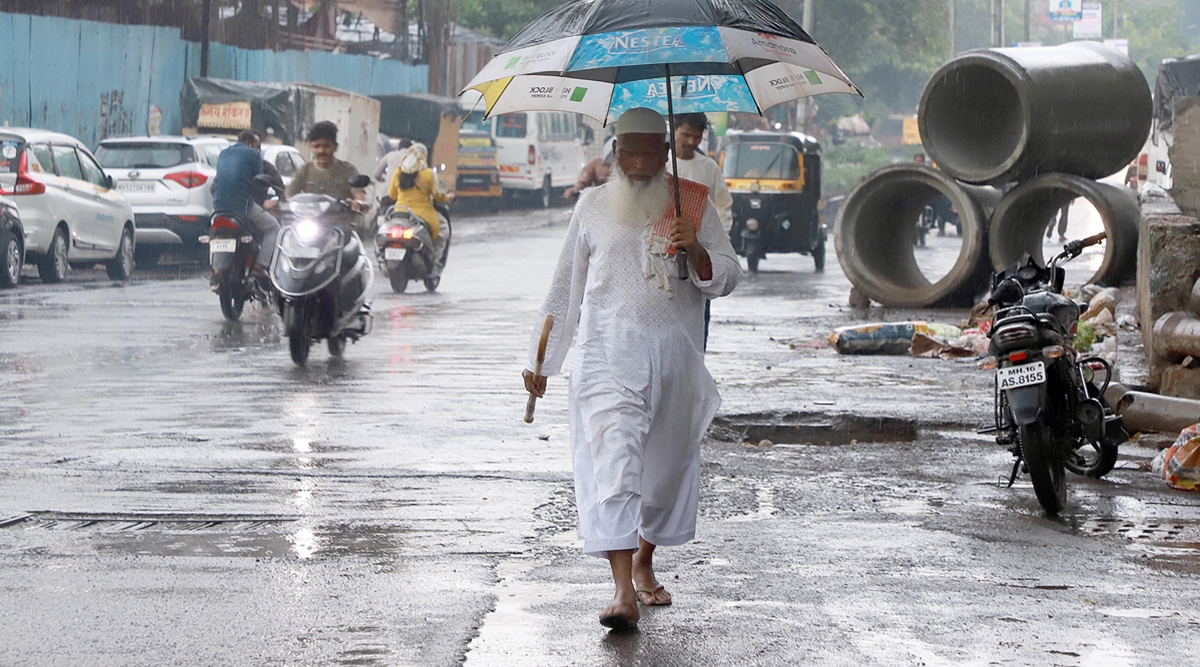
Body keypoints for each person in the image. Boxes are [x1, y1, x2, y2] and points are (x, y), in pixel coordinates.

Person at [521, 108, 739, 630]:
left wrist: (700, 252)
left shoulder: (691, 204)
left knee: (662, 471)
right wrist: (541, 360)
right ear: (613, 154)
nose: (638, 163)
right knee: (613, 464)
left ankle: (644, 558)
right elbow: (565, 287)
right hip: (605, 355)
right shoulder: (592, 205)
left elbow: (729, 274)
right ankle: (621, 590)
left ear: (664, 153)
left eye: (648, 152)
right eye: (628, 152)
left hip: (675, 357)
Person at [666, 113, 734, 349]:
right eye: (685, 135)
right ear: (673, 130)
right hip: (664, 254)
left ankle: (696, 358)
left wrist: (714, 244)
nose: (691, 142)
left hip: (697, 253)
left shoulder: (708, 168)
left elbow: (723, 207)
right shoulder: (661, 165)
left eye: (697, 137)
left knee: (698, 312)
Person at [212, 129, 277, 271]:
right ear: (249, 143)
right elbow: (259, 183)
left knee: (217, 235)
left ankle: (217, 272)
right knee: (273, 228)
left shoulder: (223, 153)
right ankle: (260, 267)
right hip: (243, 206)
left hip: (218, 207)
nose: (259, 150)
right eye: (258, 146)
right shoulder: (253, 155)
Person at [388, 143, 454, 277]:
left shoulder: (398, 172)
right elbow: (438, 196)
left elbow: (392, 195)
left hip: (399, 213)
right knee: (443, 231)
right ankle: (435, 262)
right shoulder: (428, 174)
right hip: (424, 215)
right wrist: (449, 197)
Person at [285, 121, 368, 227]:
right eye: (317, 146)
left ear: (335, 146)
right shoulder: (304, 171)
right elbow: (289, 197)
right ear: (311, 147)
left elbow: (361, 199)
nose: (321, 150)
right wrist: (277, 204)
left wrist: (358, 204)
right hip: (309, 227)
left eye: (326, 146)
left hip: (340, 229)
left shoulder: (348, 170)